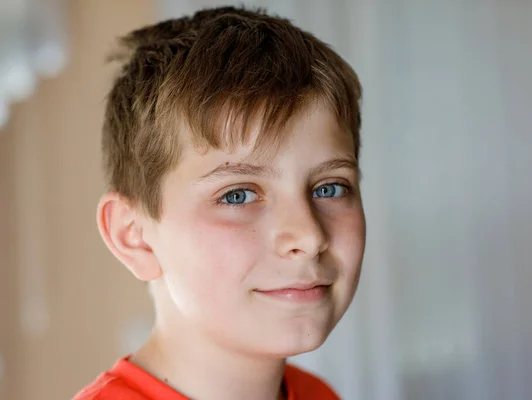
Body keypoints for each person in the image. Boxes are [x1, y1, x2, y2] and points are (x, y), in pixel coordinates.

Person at [74, 5, 365, 400]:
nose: (309, 236)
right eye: (237, 195)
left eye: (329, 188)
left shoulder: (318, 394)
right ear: (135, 236)